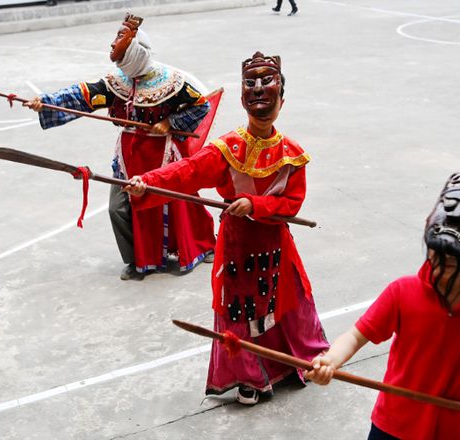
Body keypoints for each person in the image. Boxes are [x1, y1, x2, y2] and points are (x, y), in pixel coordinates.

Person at [124, 51, 329, 404]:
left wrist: (256, 204)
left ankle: (298, 360)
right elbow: (186, 172)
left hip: (277, 245)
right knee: (240, 311)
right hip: (238, 249)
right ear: (242, 99)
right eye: (252, 85)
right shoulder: (227, 148)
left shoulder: (293, 154)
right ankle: (248, 375)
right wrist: (147, 181)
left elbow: (291, 205)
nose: (260, 91)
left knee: (287, 303)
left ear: (282, 100)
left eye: (269, 85)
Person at [306, 172, 460, 439]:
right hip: (394, 426)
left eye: (454, 260)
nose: (441, 267)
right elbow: (356, 336)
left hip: (457, 431)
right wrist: (330, 360)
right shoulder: (403, 291)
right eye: (435, 254)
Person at [26, 13, 217, 280]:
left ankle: (201, 245)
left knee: (178, 206)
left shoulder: (171, 82)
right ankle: (137, 259)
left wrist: (169, 120)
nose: (119, 65)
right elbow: (84, 95)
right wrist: (46, 102)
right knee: (119, 207)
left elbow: (201, 106)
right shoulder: (117, 83)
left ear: (137, 56)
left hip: (162, 154)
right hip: (129, 156)